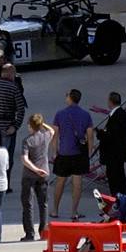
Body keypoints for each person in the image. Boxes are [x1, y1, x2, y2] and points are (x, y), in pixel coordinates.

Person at [51, 87, 94, 219]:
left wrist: (54, 151)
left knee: (60, 182)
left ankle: (55, 210)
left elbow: (55, 135)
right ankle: (74, 212)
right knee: (77, 183)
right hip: (79, 154)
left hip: (64, 152)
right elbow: (90, 135)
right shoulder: (86, 115)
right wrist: (89, 152)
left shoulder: (60, 114)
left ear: (70, 98)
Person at [20, 111, 54, 240]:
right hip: (43, 173)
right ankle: (43, 232)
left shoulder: (27, 140)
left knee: (28, 204)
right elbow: (52, 131)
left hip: (29, 176)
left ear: (30, 126)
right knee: (43, 204)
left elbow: (25, 159)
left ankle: (29, 233)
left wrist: (34, 169)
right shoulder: (45, 136)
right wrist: (42, 124)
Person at [97, 91, 126, 198]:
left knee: (115, 178)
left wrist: (100, 133)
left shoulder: (117, 115)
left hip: (114, 154)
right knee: (119, 177)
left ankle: (119, 200)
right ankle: (121, 199)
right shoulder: (122, 114)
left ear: (111, 102)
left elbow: (111, 135)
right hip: (118, 153)